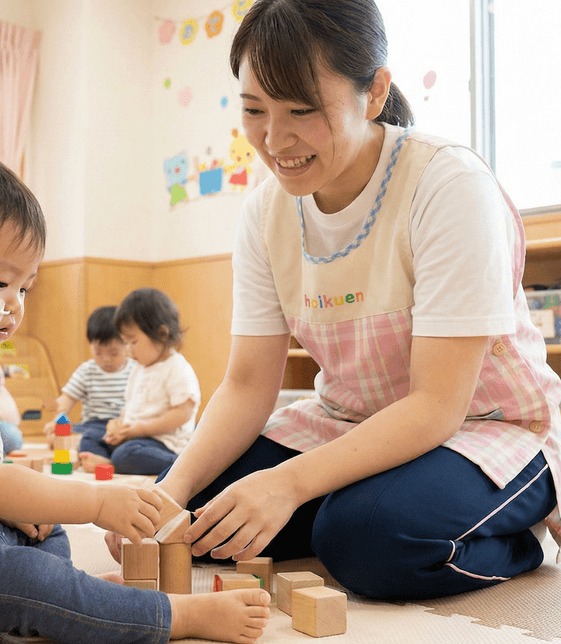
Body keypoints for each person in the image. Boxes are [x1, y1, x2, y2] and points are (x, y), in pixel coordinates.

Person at [137, 0, 561, 602]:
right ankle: (355, 504)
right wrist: (164, 497)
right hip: (348, 424)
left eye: (302, 110)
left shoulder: (447, 184)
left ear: (375, 92)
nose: (274, 139)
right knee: (198, 517)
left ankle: (522, 535)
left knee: (366, 541)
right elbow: (248, 384)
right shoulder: (265, 212)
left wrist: (287, 485)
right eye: (254, 110)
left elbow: (437, 405)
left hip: (485, 426)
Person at [0, 152, 270, 644]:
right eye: (0, 282)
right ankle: (169, 617)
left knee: (44, 526)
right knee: (30, 576)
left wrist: (20, 509)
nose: (15, 306)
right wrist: (96, 501)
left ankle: (74, 603)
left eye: (25, 288)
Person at [80, 289, 200, 476]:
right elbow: (130, 406)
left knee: (126, 455)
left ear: (161, 334)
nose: (128, 350)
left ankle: (184, 466)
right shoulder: (139, 368)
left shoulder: (176, 367)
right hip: (134, 438)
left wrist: (140, 430)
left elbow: (183, 413)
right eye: (125, 343)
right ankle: (112, 461)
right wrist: (118, 425)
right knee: (89, 437)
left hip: (162, 443)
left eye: (133, 342)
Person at [42, 305, 136, 447]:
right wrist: (56, 421)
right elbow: (66, 400)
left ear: (127, 345)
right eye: (98, 352)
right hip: (92, 425)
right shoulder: (86, 370)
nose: (106, 359)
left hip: (121, 426)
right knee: (75, 434)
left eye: (114, 353)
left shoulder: (135, 370)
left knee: (134, 441)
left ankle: (100, 448)